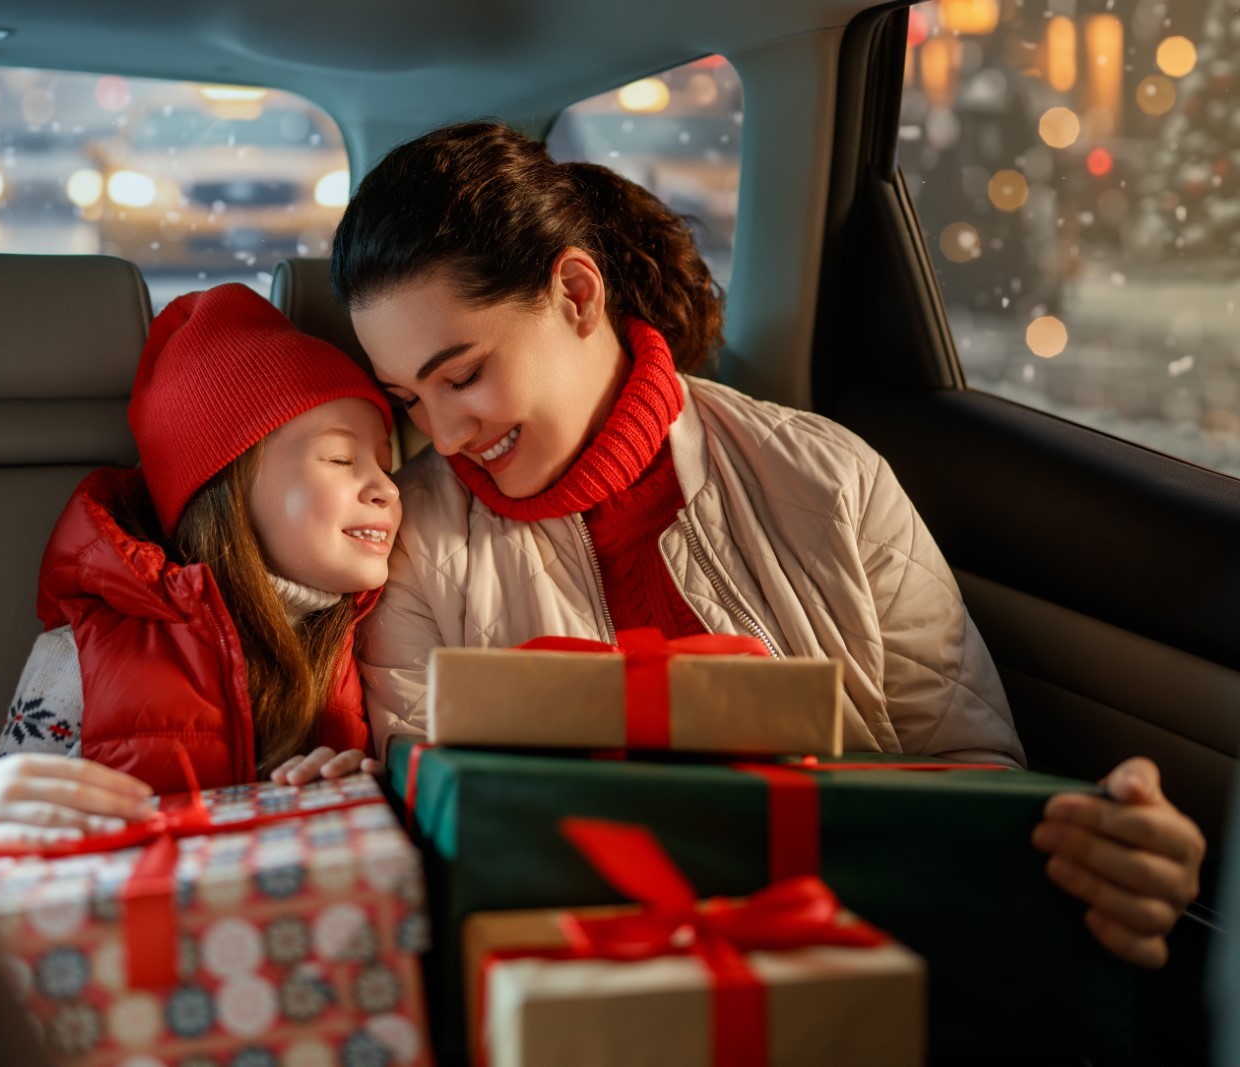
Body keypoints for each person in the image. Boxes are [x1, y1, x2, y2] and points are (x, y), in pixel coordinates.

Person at [331, 120, 1204, 969]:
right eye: (409, 399)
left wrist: (1095, 853)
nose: (443, 435)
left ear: (577, 294)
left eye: (464, 375)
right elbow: (435, 838)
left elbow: (969, 776)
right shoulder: (415, 546)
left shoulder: (829, 479)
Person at [0, 284, 400, 862]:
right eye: (341, 459)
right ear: (227, 486)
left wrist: (339, 798)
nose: (387, 488)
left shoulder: (370, 640)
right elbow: (10, 829)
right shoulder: (86, 652)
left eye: (386, 464)